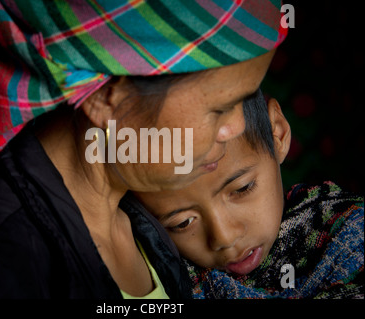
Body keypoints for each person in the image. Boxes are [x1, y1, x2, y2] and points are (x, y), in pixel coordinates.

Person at [0, 1, 286, 298]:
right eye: (220, 108)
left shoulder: (140, 218)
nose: (236, 127)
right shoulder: (1, 258)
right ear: (109, 100)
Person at [134, 90, 364, 298]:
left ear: (278, 134)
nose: (224, 237)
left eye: (243, 188)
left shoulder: (350, 235)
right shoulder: (163, 274)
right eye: (183, 222)